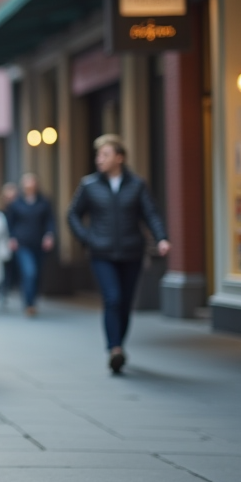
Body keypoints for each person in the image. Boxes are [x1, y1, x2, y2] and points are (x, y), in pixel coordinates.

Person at [67, 134, 170, 375]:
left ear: (120, 157)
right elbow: (72, 214)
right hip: (101, 253)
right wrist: (86, 239)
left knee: (124, 303)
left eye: (105, 154)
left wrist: (161, 238)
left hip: (131, 252)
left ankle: (118, 345)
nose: (99, 159)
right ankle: (114, 349)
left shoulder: (137, 185)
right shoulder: (89, 185)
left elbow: (151, 213)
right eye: (98, 155)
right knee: (112, 299)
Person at [5, 173, 55, 317]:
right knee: (29, 271)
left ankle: (32, 298)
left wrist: (49, 235)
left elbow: (50, 221)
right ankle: (29, 303)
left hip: (39, 243)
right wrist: (12, 238)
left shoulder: (44, 202)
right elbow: (11, 223)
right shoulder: (16, 203)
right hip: (23, 243)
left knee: (37, 273)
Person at [0, 182, 21, 301]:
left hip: (17, 242)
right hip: (4, 243)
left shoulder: (19, 209)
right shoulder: (1, 213)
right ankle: (5, 287)